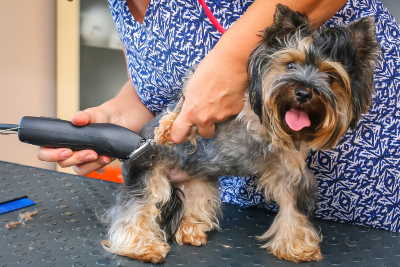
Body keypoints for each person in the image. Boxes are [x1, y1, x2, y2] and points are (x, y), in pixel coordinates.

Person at [38, 0, 400, 232]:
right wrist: (112, 117)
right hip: (242, 188)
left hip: (358, 167)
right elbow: (161, 85)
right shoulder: (121, 6)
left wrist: (232, 62)